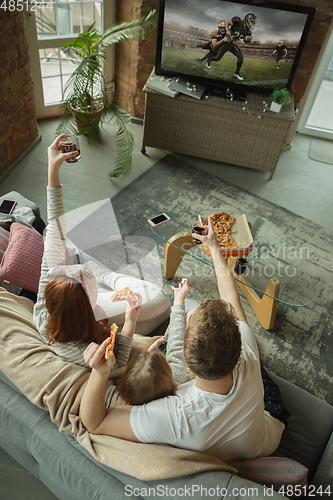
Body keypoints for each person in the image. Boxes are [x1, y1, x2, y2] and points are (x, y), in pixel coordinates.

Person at [79, 218, 286, 462]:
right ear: (238, 346)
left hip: (249, 425)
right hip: (268, 429)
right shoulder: (248, 354)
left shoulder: (172, 415)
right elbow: (232, 299)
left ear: (188, 367)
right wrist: (216, 250)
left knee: (190, 307)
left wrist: (100, 372)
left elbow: (94, 422)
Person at [33, 135, 171, 368]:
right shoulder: (79, 350)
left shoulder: (49, 293)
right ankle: (102, 274)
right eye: (90, 283)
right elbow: (117, 364)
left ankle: (93, 270)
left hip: (83, 306)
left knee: (59, 239)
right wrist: (130, 320)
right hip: (96, 311)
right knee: (161, 301)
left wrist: (52, 169)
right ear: (90, 309)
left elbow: (56, 224)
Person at [199, 14, 257, 80]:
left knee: (240, 57)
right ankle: (208, 59)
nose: (252, 24)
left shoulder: (248, 32)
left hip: (233, 45)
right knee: (217, 58)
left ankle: (236, 73)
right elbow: (227, 22)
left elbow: (245, 40)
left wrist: (248, 40)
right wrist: (227, 30)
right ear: (247, 20)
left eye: (253, 23)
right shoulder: (238, 21)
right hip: (226, 43)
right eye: (252, 22)